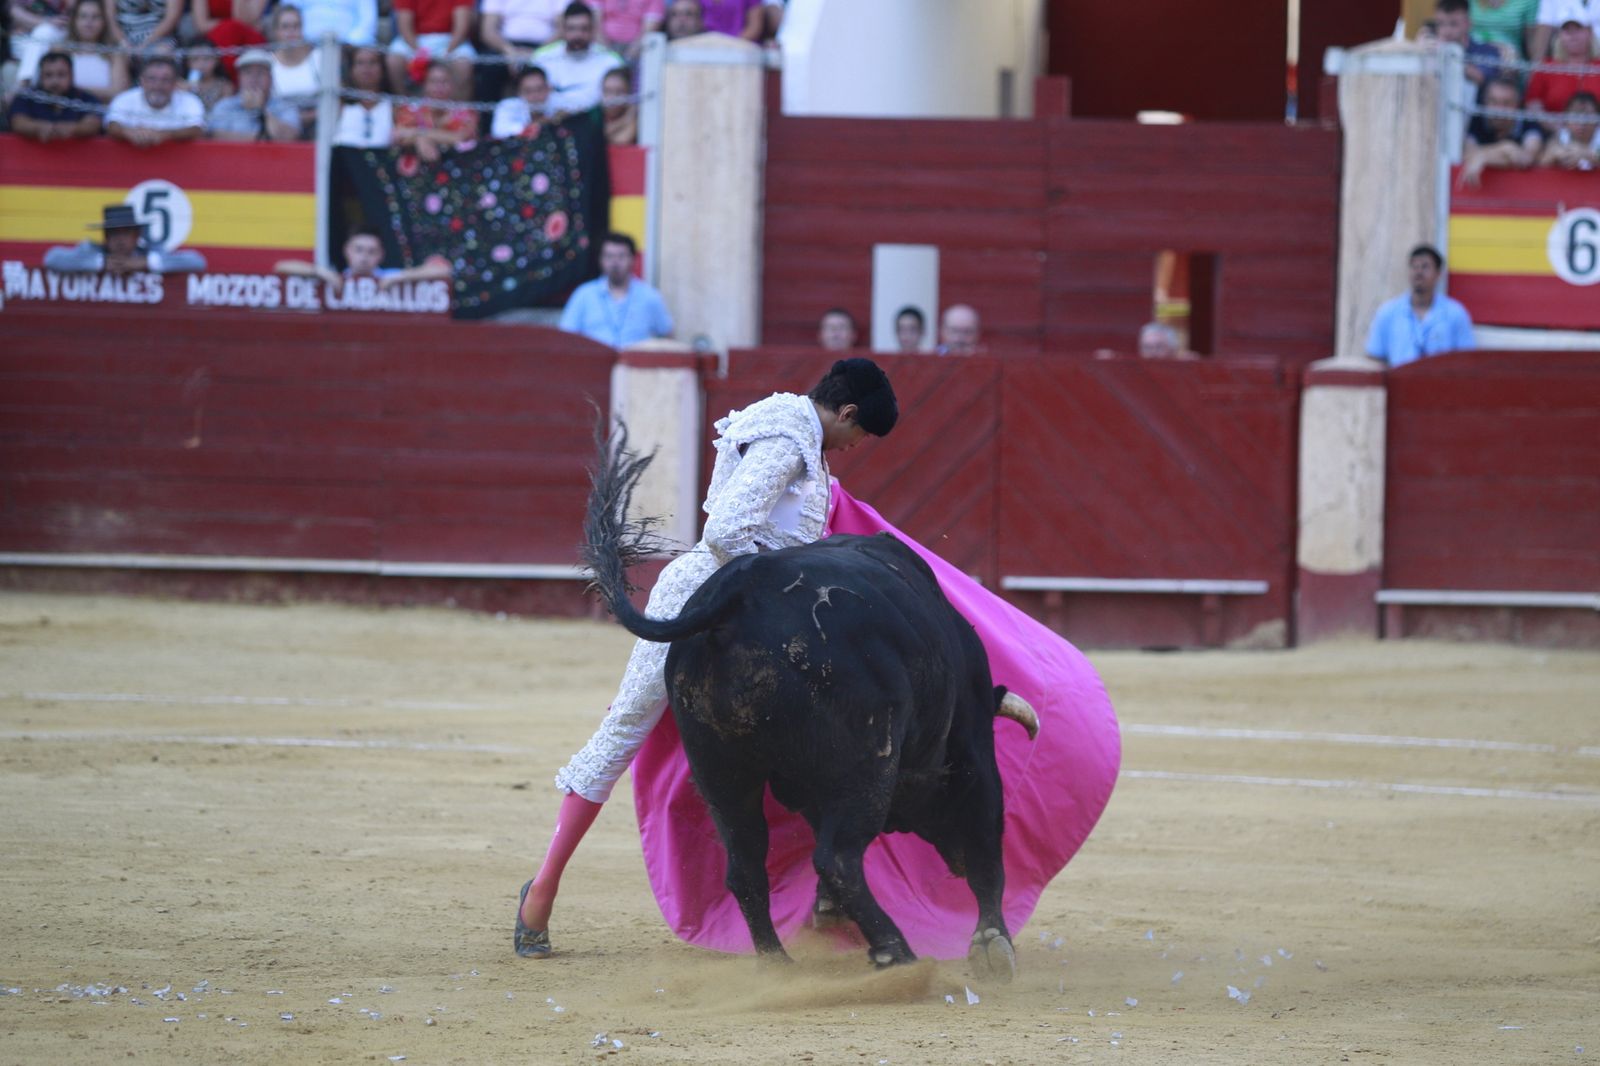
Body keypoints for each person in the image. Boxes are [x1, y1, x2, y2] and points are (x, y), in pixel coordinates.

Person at [513, 356, 900, 959]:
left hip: (729, 603)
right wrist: (778, 590)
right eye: (859, 435)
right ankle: (540, 891)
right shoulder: (792, 440)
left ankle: (541, 897)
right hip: (713, 601)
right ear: (847, 413)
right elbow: (727, 529)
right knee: (626, 731)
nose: (853, 447)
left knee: (634, 736)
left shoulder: (791, 433)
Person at [1365, 244, 1476, 368]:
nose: (1419, 272)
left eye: (1425, 267)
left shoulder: (1456, 314)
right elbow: (1374, 358)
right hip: (1400, 385)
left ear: (1438, 274)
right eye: (1414, 267)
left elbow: (1466, 362)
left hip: (1441, 385)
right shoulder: (1388, 312)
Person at [558, 232, 673, 347]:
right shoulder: (583, 294)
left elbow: (667, 336)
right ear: (600, 260)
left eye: (621, 256)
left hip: (635, 363)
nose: (615, 262)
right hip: (593, 362)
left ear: (632, 259)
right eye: (609, 256)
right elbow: (566, 336)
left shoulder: (650, 296)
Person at [275, 227, 451, 295]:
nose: (364, 257)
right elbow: (281, 267)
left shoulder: (390, 277)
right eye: (358, 250)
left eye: (371, 251)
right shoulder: (334, 276)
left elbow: (443, 271)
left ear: (381, 255)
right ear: (347, 251)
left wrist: (401, 277)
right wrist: (320, 272)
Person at [15, 0, 129, 104]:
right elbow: (48, 87)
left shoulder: (114, 54)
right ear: (74, 20)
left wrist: (75, 89)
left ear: (104, 21)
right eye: (83, 16)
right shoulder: (60, 50)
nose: (89, 22)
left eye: (95, 17)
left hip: (99, 114)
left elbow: (118, 92)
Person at [44, 202, 208, 273]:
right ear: (106, 237)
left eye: (125, 233)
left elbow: (197, 261)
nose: (120, 240)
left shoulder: (149, 252)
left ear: (137, 236)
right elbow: (52, 258)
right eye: (114, 234)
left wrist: (145, 263)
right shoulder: (91, 251)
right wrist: (100, 263)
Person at [532, 2, 622, 113]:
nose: (578, 35)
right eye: (572, 29)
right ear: (563, 30)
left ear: (593, 30)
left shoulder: (611, 61)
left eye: (584, 29)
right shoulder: (542, 58)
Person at [1460, 76, 1545, 186]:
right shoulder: (1477, 119)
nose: (1499, 110)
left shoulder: (1529, 122)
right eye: (1493, 102)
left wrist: (1483, 156)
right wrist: (1506, 148)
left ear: (1517, 105)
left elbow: (1526, 158)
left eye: (1506, 103)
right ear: (1485, 101)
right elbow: (1468, 154)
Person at [106, 53, 204, 143]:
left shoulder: (190, 101)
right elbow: (112, 125)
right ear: (142, 81)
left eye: (165, 80)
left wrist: (163, 134)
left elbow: (196, 129)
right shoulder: (124, 99)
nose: (158, 85)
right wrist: (128, 133)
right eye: (152, 79)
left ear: (175, 83)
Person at [206, 47, 301, 140]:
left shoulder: (285, 107)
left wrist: (261, 111)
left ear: (271, 79)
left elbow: (289, 137)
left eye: (260, 73)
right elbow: (216, 135)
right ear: (239, 79)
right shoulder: (225, 105)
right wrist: (260, 139)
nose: (254, 78)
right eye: (248, 73)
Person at [6, 50, 104, 139]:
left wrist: (71, 129)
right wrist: (40, 127)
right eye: (48, 75)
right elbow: (18, 122)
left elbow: (93, 124)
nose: (55, 81)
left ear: (71, 76)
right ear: (40, 77)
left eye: (61, 74)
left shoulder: (85, 98)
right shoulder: (26, 97)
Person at [392, 59, 476, 162]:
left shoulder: (464, 111)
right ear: (425, 85)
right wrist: (420, 138)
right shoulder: (412, 109)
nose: (439, 88)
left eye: (444, 82)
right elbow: (399, 135)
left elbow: (461, 137)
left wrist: (420, 135)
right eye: (433, 82)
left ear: (453, 85)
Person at [387, 0, 475, 98]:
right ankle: (404, 107)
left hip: (449, 39)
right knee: (394, 60)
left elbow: (461, 27)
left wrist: (447, 53)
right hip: (415, 39)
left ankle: (460, 111)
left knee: (463, 65)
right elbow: (404, 26)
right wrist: (420, 53)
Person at [1526, 16, 1600, 118]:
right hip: (1551, 129)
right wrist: (1555, 127)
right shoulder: (1546, 67)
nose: (1572, 35)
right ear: (1559, 36)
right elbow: (1533, 103)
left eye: (1578, 30)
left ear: (1590, 33)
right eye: (1567, 31)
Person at [1427, 0, 1512, 83]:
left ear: (1468, 24)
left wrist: (1448, 55)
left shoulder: (1488, 52)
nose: (1446, 31)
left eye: (1453, 24)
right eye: (1440, 23)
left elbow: (1480, 77)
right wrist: (1421, 54)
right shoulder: (1430, 49)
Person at [333, 45, 394, 146]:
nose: (367, 68)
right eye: (360, 63)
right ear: (351, 70)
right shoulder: (339, 104)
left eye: (372, 62)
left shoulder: (394, 106)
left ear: (383, 69)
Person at [1539, 89, 1600, 166]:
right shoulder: (1560, 137)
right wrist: (1555, 153)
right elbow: (1542, 164)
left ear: (1597, 120)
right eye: (1576, 117)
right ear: (1566, 120)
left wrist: (1586, 154)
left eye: (1587, 118)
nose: (1582, 123)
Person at [1530, 0, 1600, 65]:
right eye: (1568, 30)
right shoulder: (1548, 70)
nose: (1573, 34)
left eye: (1577, 29)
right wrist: (1536, 65)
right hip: (1561, 59)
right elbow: (1544, 26)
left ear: (1589, 32)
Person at [490, 65, 551, 137]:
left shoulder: (561, 104)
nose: (535, 95)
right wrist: (537, 125)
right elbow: (498, 131)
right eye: (528, 91)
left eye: (539, 89)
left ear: (549, 88)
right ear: (519, 93)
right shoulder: (507, 106)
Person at [282, 0, 377, 46]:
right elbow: (288, 12)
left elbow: (368, 20)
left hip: (350, 48)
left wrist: (349, 44)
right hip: (304, 45)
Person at [592, 0, 661, 63]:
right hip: (601, 45)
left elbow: (649, 29)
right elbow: (594, 23)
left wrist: (629, 55)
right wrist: (608, 53)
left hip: (637, 50)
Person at [1471, 0, 1540, 59]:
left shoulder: (1528, 1)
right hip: (1473, 51)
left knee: (1509, 58)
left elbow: (1531, 43)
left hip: (1510, 57)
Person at [183, 37, 235, 111]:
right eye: (195, 59)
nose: (201, 64)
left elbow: (225, 112)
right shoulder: (181, 85)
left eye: (207, 58)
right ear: (188, 62)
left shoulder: (225, 87)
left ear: (216, 60)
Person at [600, 65, 636, 144]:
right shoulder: (595, 114)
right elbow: (595, 134)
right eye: (607, 91)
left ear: (629, 93)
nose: (612, 97)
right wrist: (625, 120)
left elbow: (623, 140)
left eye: (619, 92)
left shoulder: (635, 114)